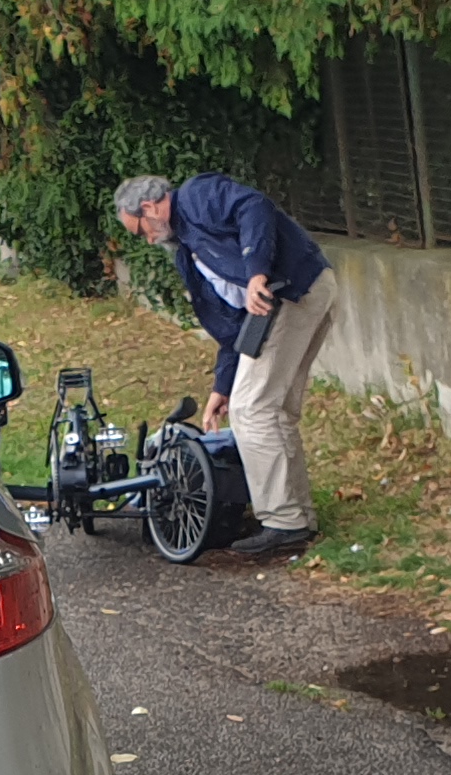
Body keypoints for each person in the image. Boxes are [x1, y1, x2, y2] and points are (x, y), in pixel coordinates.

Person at [115, 172, 337, 557]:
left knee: (252, 409)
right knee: (274, 411)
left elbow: (254, 206)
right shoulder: (188, 252)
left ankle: (284, 522)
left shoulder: (197, 196)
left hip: (292, 291)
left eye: (140, 231)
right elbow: (231, 326)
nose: (148, 240)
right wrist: (222, 386)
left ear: (149, 208)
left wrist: (256, 274)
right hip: (290, 298)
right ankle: (297, 517)